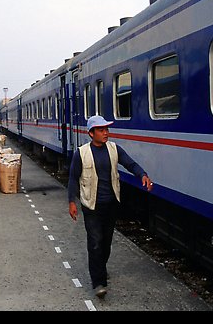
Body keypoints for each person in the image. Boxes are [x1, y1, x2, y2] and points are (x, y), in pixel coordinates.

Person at [68, 115, 153, 298]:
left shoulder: (114, 149)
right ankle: (98, 282)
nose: (106, 132)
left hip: (111, 204)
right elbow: (73, 178)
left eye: (106, 129)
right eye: (101, 130)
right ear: (91, 133)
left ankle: (101, 267)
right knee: (95, 243)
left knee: (106, 244)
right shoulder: (81, 153)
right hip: (91, 206)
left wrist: (142, 174)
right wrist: (71, 202)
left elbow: (130, 163)